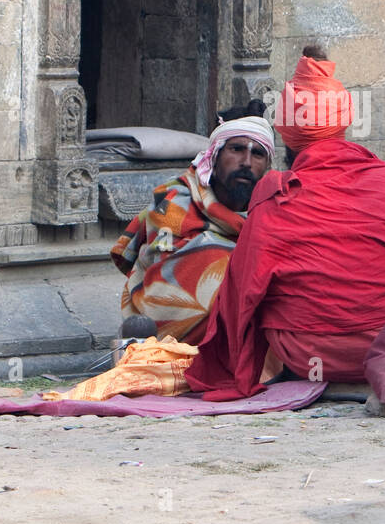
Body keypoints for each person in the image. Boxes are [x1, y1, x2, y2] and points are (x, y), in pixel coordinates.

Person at [186, 47, 385, 400]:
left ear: (286, 139)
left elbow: (242, 296)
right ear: (343, 124)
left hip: (303, 355)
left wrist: (233, 366)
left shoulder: (274, 194)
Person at [109, 102, 274, 344]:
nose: (246, 162)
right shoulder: (173, 201)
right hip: (163, 336)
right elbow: (168, 274)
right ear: (214, 156)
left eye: (257, 154)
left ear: (267, 166)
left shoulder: (274, 208)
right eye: (236, 149)